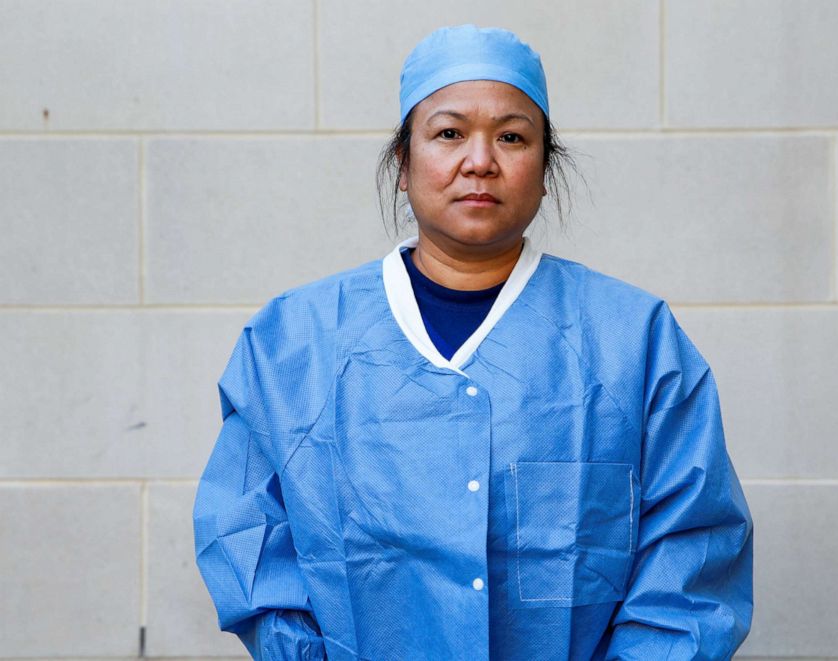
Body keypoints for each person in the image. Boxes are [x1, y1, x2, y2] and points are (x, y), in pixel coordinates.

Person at [193, 24, 753, 661]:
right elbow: (247, 539)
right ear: (404, 164)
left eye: (512, 137)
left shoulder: (634, 340)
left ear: (544, 170)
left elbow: (691, 554)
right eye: (449, 133)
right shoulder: (293, 342)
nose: (480, 161)